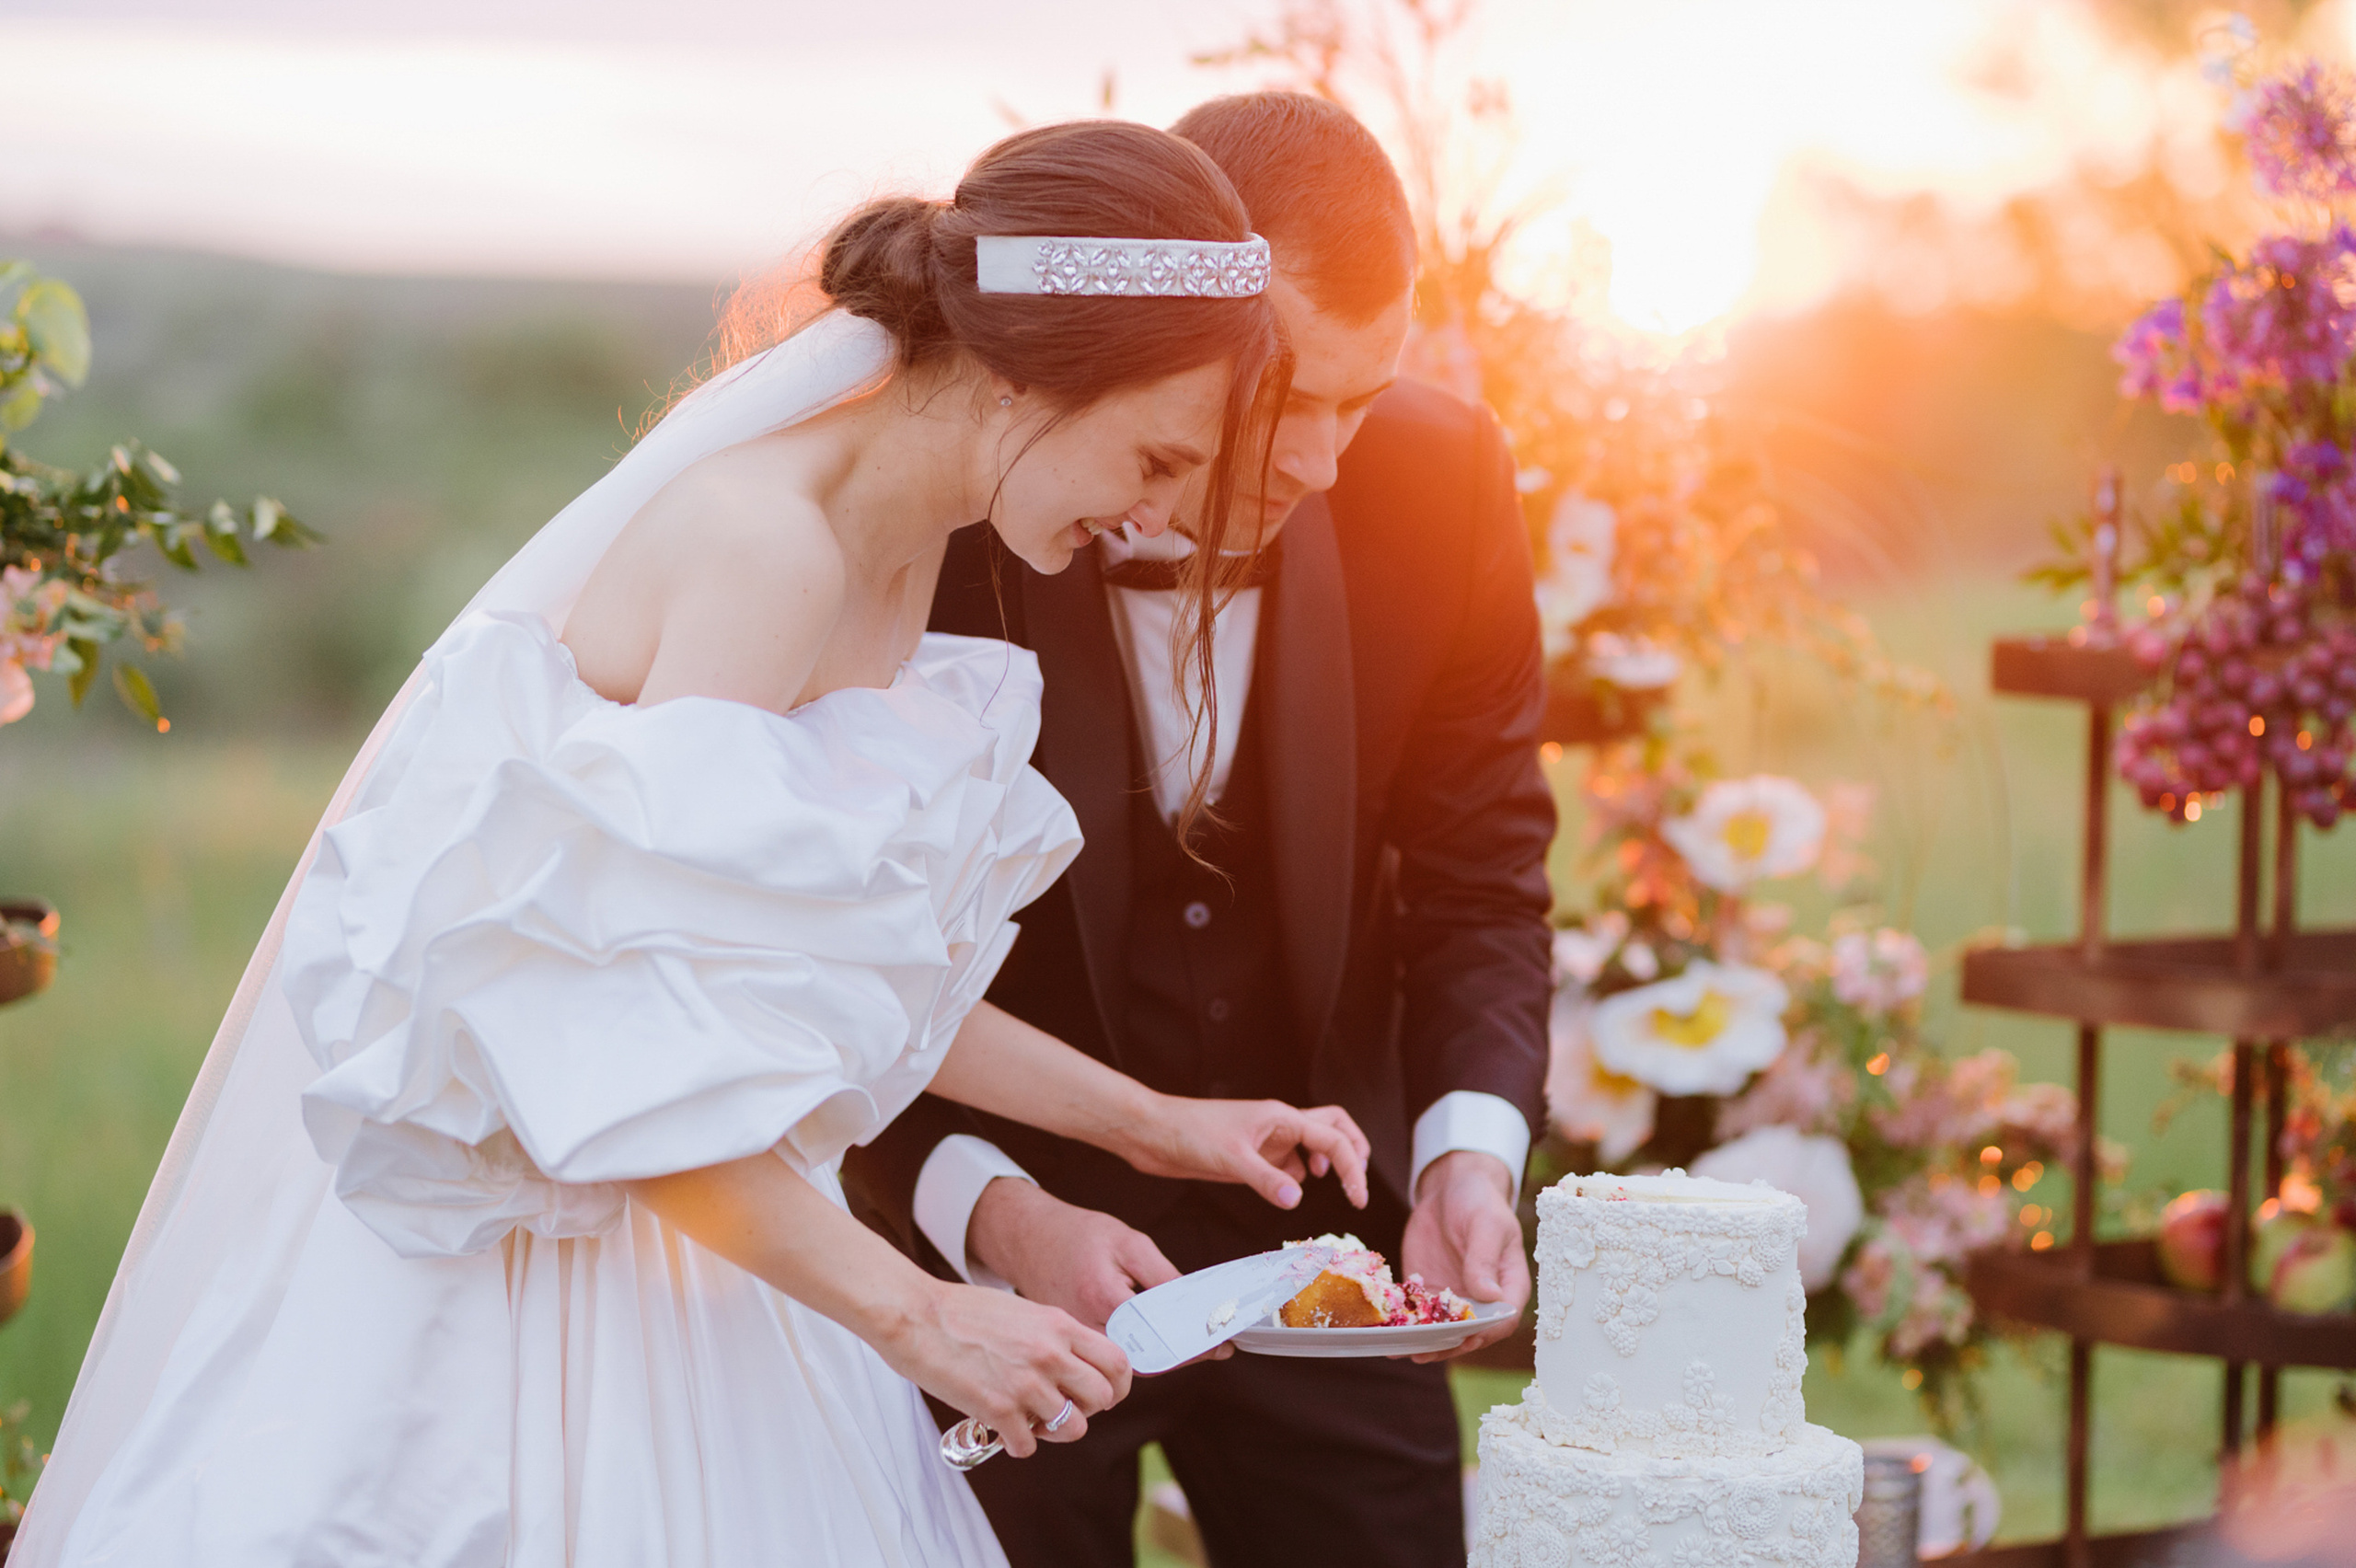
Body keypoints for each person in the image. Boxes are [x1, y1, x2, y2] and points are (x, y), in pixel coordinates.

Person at [13, 120, 1378, 1568]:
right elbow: (611, 1063)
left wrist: (1163, 1125)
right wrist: (921, 1317)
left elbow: (823, 976)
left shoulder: (901, 555)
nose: (1155, 516)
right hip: (545, 1300)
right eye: (1161, 457)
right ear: (1030, 363)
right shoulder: (763, 554)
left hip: (729, 1260)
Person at [844, 94, 1556, 1568]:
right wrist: (991, 1212)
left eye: (1365, 404)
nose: (1326, 466)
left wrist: (1466, 1159)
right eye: (1294, 400)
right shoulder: (958, 498)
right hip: (1000, 1270)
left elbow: (1483, 873)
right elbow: (828, 938)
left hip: (1327, 1251)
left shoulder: (1443, 484)